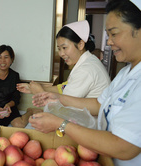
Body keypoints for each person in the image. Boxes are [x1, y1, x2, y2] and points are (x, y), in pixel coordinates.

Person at [29, 0, 141, 165]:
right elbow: (98, 103)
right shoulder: (125, 73)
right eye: (107, 35)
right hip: (103, 154)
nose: (109, 42)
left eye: (114, 33)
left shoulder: (88, 68)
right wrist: (57, 97)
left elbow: (125, 147)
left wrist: (60, 124)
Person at [17, 20, 110, 98]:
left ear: (81, 44)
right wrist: (33, 88)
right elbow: (64, 88)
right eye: (59, 49)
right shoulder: (87, 62)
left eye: (64, 48)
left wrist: (39, 92)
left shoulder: (86, 70)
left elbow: (64, 107)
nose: (61, 54)